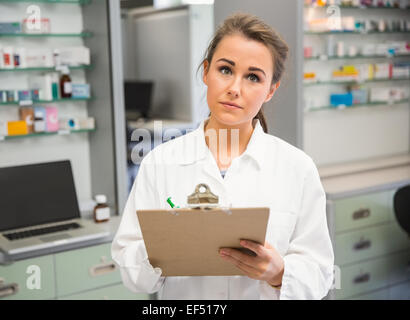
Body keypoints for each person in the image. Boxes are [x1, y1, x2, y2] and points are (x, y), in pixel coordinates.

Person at [111, 13, 334, 300]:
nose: (234, 89)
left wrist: (279, 273)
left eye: (253, 77)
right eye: (225, 70)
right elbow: (132, 272)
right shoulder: (160, 163)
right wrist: (160, 246)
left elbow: (321, 273)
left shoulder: (297, 168)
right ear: (206, 72)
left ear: (270, 90)